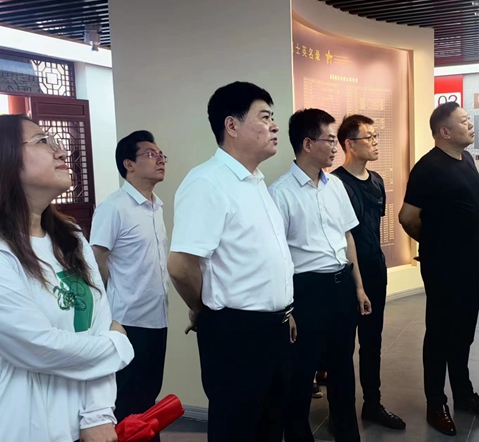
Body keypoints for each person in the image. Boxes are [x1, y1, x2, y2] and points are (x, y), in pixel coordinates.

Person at [167, 82, 296, 442]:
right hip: (237, 334)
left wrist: (283, 311)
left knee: (269, 427)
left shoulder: (255, 181)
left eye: (273, 117)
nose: (274, 126)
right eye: (265, 117)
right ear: (232, 125)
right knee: (236, 430)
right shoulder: (207, 182)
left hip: (273, 329)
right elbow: (180, 266)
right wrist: (203, 309)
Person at [0, 114, 134, 442]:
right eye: (43, 141)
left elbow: (99, 323)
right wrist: (116, 346)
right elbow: (37, 346)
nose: (61, 151)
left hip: (81, 426)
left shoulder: (70, 237)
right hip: (23, 426)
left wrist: (97, 413)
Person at [269, 108, 372, 442]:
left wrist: (359, 287)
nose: (335, 147)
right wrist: (287, 308)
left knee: (343, 365)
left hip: (340, 285)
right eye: (329, 140)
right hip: (306, 290)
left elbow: (347, 237)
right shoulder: (280, 193)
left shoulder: (335, 186)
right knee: (301, 371)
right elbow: (277, 256)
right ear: (307, 143)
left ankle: (347, 431)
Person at [399, 102, 479, 436]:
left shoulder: (465, 159)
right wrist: (437, 244)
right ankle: (435, 402)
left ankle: (464, 394)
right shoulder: (428, 168)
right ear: (444, 131)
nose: (471, 125)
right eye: (464, 121)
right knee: (440, 332)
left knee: (464, 331)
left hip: (472, 263)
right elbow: (408, 218)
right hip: (443, 266)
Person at [90, 130, 169, 440]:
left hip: (157, 318)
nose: (160, 159)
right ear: (129, 164)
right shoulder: (114, 207)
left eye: (161, 154)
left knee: (148, 397)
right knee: (127, 401)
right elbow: (96, 261)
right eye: (151, 154)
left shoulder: (156, 206)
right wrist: (106, 315)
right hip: (128, 322)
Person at [332, 114, 406, 430]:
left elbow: (373, 229)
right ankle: (340, 412)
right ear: (350, 144)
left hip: (375, 270)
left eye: (376, 137)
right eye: (369, 137)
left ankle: (372, 403)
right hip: (347, 275)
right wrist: (356, 281)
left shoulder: (376, 180)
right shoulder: (335, 184)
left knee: (372, 341)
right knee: (341, 346)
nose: (376, 143)